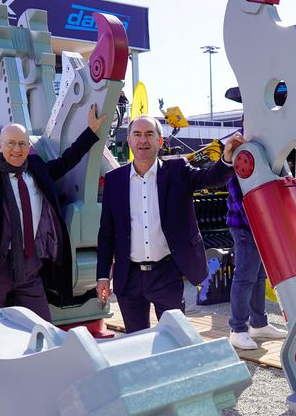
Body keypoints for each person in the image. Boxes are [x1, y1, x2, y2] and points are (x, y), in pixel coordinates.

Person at [0, 106, 104, 321]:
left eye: (22, 144)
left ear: (28, 146)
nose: (17, 149)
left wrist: (90, 133)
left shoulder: (35, 168)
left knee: (41, 325)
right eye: (11, 143)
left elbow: (66, 161)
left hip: (30, 265)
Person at [96, 115, 242, 333]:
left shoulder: (177, 172)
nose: (143, 140)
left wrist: (227, 159)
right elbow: (107, 233)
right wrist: (102, 276)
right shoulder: (114, 180)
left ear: (160, 140)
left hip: (166, 274)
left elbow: (211, 177)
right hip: (129, 277)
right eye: (137, 134)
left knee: (174, 337)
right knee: (137, 340)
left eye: (149, 134)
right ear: (129, 139)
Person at [225, 174, 286, 349]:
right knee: (244, 278)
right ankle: (237, 330)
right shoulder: (238, 169)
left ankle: (259, 324)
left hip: (256, 226)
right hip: (245, 228)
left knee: (258, 276)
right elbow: (243, 204)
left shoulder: (251, 166)